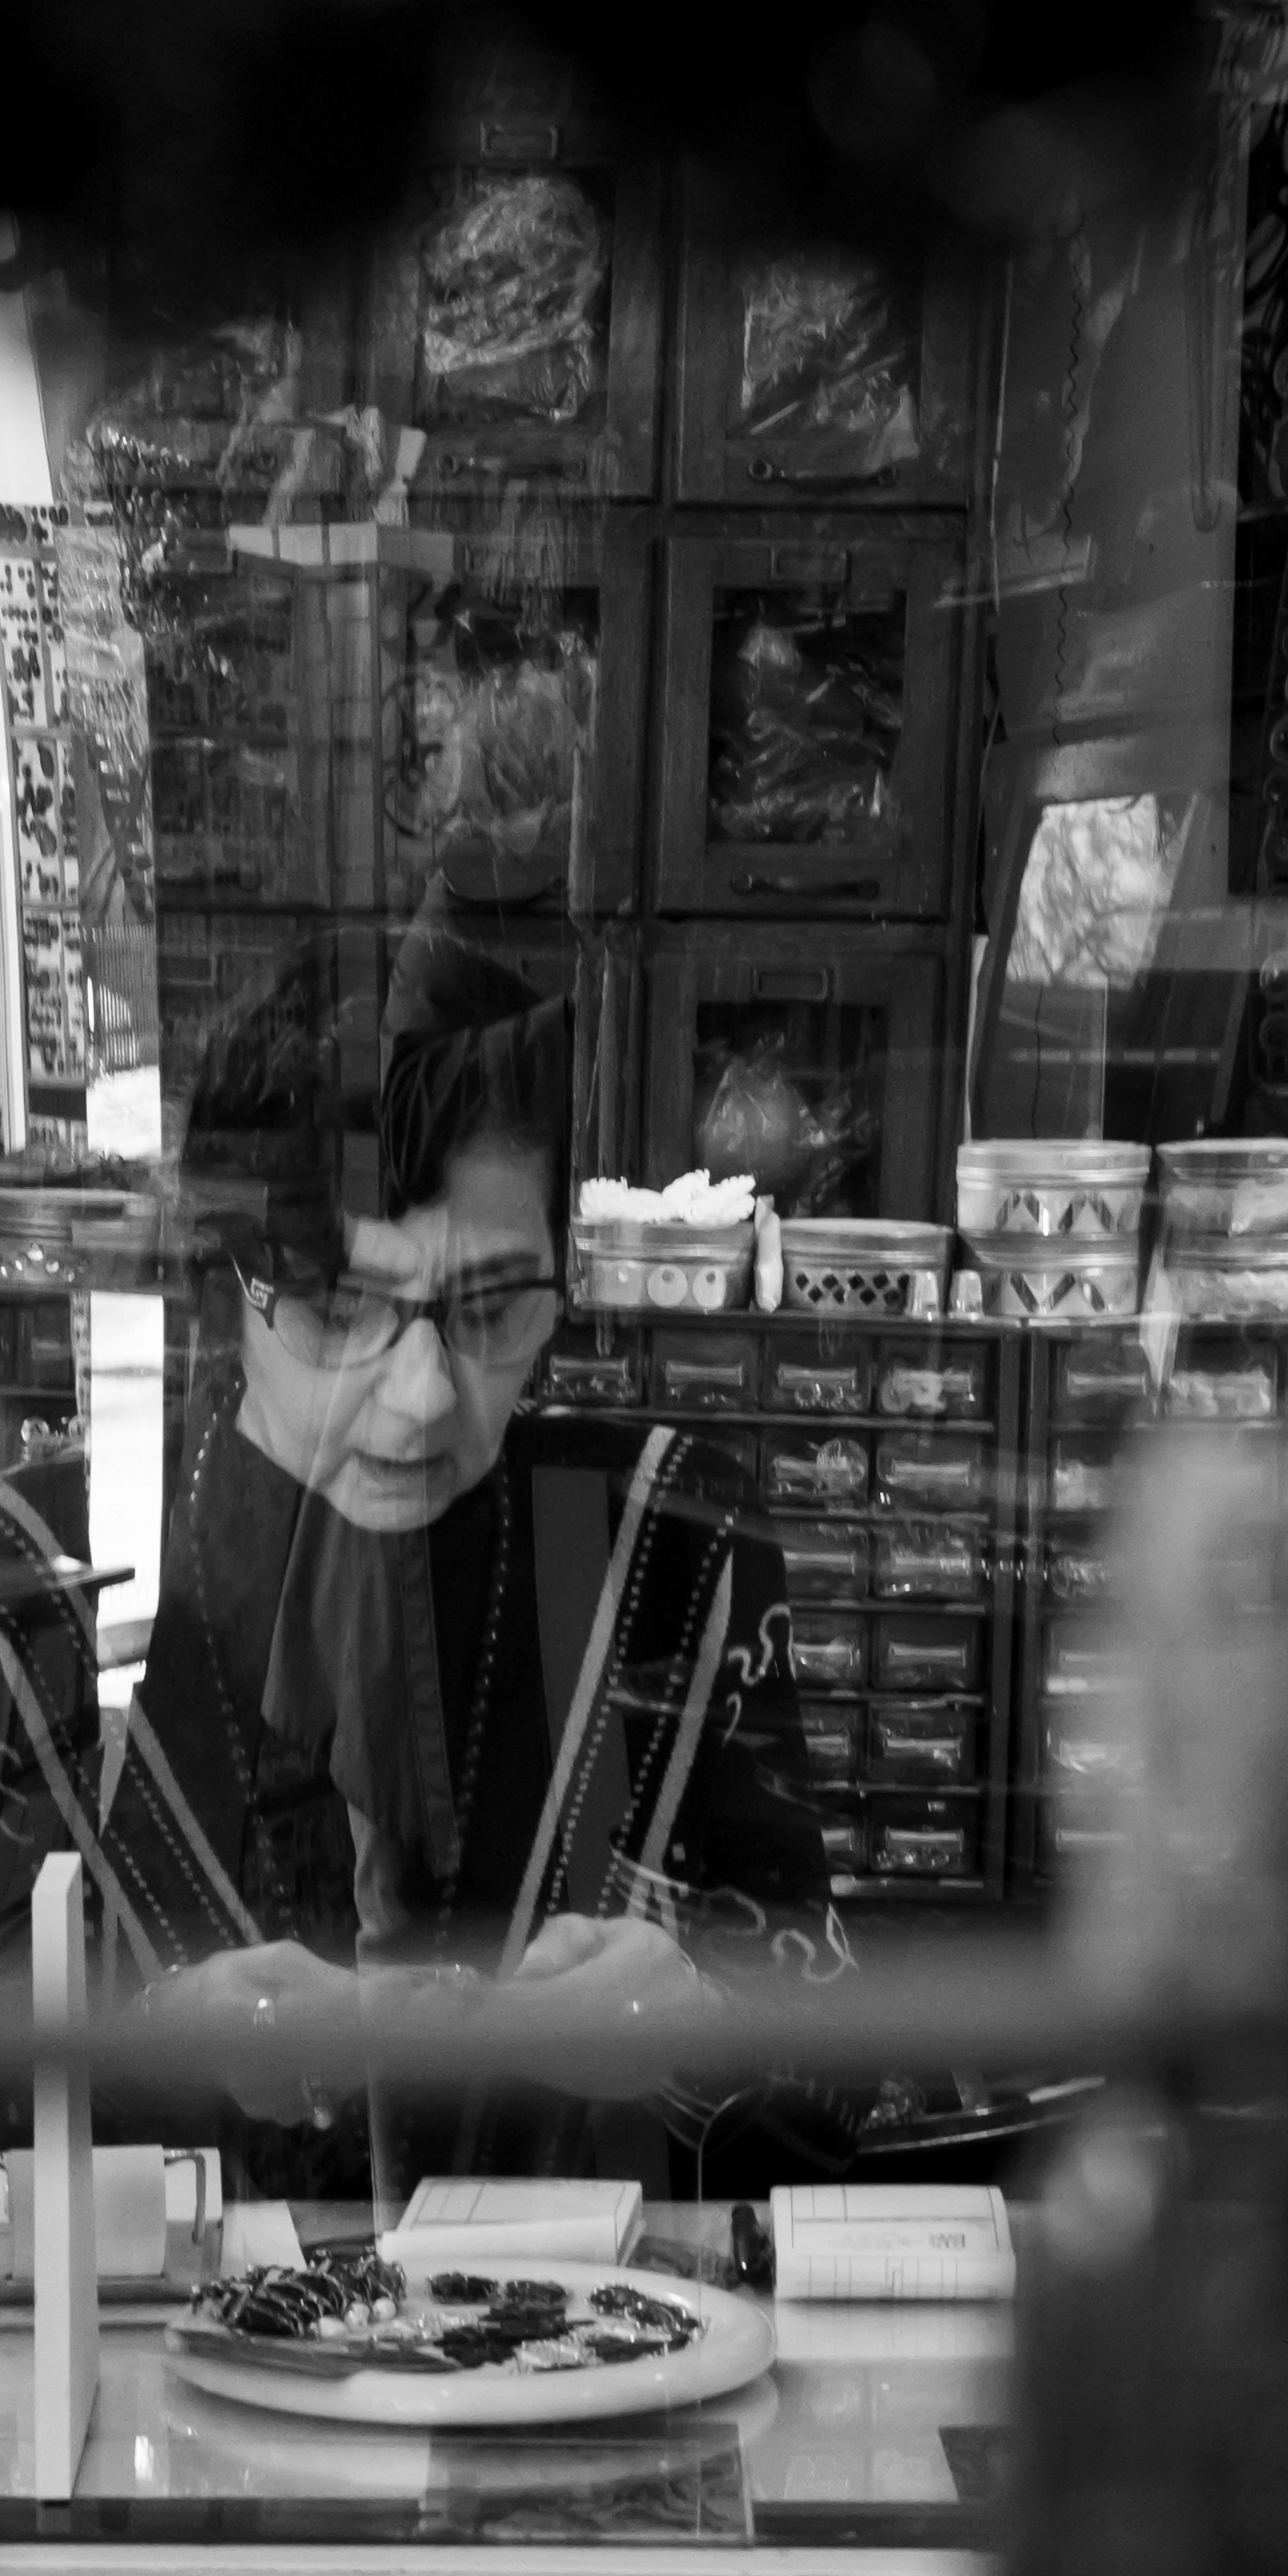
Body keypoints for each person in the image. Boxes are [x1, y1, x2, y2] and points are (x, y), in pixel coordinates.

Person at [90, 928, 855, 2198]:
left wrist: (704, 2027)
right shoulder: (62, 1586)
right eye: (340, 1309)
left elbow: (833, 2095)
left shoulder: (661, 1551)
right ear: (218, 1294)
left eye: (493, 1307)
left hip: (584, 2366)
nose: (423, 1397)